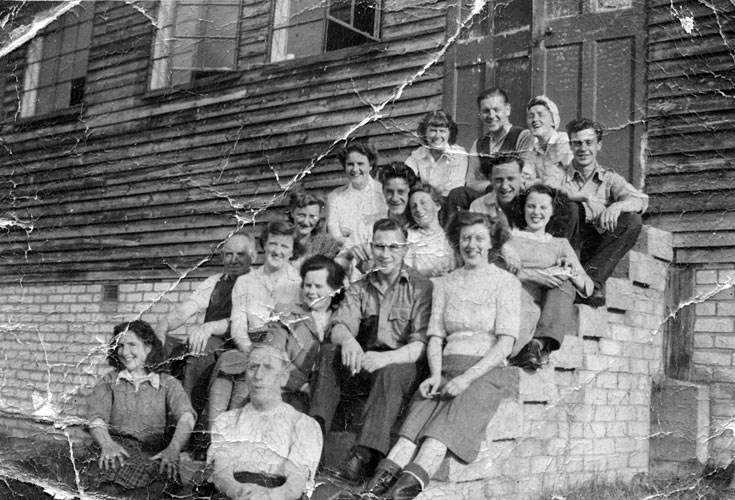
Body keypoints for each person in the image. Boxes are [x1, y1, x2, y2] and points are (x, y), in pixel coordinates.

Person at [351, 211, 520, 500]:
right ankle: (373, 492)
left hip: (484, 373)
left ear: (492, 242)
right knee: (410, 429)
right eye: (465, 237)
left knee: (437, 432)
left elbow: (505, 345)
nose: (471, 244)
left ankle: (398, 496)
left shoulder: (506, 283)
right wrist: (436, 375)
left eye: (479, 237)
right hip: (445, 366)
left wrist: (465, 380)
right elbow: (435, 337)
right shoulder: (444, 283)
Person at [310, 218, 433, 486]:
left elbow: (419, 346)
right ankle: (313, 435)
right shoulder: (362, 285)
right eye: (379, 246)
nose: (385, 254)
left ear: (404, 249)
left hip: (401, 363)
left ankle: (365, 455)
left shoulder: (421, 286)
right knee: (330, 351)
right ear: (371, 247)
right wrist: (349, 342)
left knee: (391, 370)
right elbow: (339, 325)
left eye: (393, 246)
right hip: (366, 360)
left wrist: (384, 358)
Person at [211, 255, 346, 415]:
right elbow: (273, 353)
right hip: (289, 391)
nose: (311, 292)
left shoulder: (343, 318)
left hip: (328, 398)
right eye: (308, 285)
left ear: (333, 289)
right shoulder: (287, 313)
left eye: (318, 286)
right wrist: (302, 385)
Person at [207, 222, 302, 431]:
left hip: (280, 350)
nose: (277, 251)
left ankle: (231, 438)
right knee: (229, 363)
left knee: (244, 374)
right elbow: (238, 324)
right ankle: (214, 438)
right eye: (273, 244)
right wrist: (250, 350)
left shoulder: (298, 283)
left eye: (285, 246)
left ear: (293, 251)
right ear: (264, 245)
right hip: (247, 345)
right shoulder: (246, 281)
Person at [86, 320, 196, 493]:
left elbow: (186, 417)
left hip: (149, 453)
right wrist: (107, 444)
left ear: (148, 348)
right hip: (114, 449)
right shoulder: (109, 381)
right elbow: (96, 417)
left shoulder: (168, 383)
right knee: (105, 487)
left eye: (132, 344)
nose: (125, 352)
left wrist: (173, 449)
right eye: (120, 346)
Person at [155, 234, 257, 413]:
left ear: (253, 257)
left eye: (240, 254)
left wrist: (208, 327)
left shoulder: (257, 282)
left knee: (200, 348)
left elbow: (243, 321)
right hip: (208, 340)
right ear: (222, 257)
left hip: (236, 345)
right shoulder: (215, 281)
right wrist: (162, 326)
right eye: (228, 254)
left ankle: (189, 417)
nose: (234, 260)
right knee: (160, 346)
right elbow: (185, 310)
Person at [207, 342, 323, 500]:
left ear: (283, 377)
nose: (258, 376)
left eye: (268, 368)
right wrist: (239, 492)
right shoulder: (227, 420)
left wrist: (267, 496)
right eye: (253, 367)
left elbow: (295, 485)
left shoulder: (304, 425)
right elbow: (222, 473)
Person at [554, 118, 648, 307]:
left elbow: (641, 200)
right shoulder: (558, 173)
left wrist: (617, 206)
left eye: (589, 142)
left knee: (633, 220)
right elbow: (548, 191)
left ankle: (591, 282)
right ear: (570, 146)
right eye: (577, 143)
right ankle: (577, 281)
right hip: (567, 241)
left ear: (599, 145)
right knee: (572, 208)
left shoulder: (609, 178)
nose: (583, 149)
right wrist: (585, 200)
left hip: (595, 246)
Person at [505, 185, 593, 364]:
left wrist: (569, 271)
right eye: (531, 206)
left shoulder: (560, 244)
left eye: (543, 207)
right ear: (523, 208)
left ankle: (537, 343)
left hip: (546, 306)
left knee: (566, 283)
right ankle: (526, 348)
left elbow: (588, 287)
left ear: (553, 211)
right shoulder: (508, 238)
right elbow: (490, 272)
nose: (536, 212)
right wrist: (530, 275)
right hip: (514, 299)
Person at [445, 88, 534, 219]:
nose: (491, 116)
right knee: (458, 194)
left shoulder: (523, 136)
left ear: (507, 110)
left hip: (515, 196)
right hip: (488, 196)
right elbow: (470, 182)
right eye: (486, 111)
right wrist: (493, 185)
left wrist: (491, 182)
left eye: (496, 110)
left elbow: (524, 175)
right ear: (480, 114)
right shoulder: (479, 144)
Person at [326, 141, 388, 246]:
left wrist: (352, 238)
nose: (355, 169)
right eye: (350, 164)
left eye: (360, 164)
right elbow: (335, 237)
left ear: (370, 166)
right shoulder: (335, 197)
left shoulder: (384, 192)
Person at [404, 111, 468, 197]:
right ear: (424, 133)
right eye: (433, 130)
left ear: (450, 133)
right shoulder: (418, 154)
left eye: (442, 131)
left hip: (449, 203)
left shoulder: (459, 155)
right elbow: (404, 179)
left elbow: (455, 189)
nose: (437, 136)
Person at [403, 183, 456, 278]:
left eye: (423, 202)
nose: (418, 209)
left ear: (437, 205)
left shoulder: (452, 237)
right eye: (413, 206)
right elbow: (403, 272)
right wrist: (427, 273)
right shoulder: (409, 236)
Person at [287, 190, 342, 270]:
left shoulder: (326, 243)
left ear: (319, 216)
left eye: (312, 216)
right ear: (292, 212)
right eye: (301, 215)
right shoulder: (282, 239)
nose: (306, 222)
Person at [525, 95, 573, 186]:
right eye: (531, 116)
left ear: (553, 121)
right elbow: (524, 179)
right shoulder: (532, 149)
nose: (535, 120)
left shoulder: (563, 142)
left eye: (541, 115)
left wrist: (536, 182)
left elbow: (565, 179)